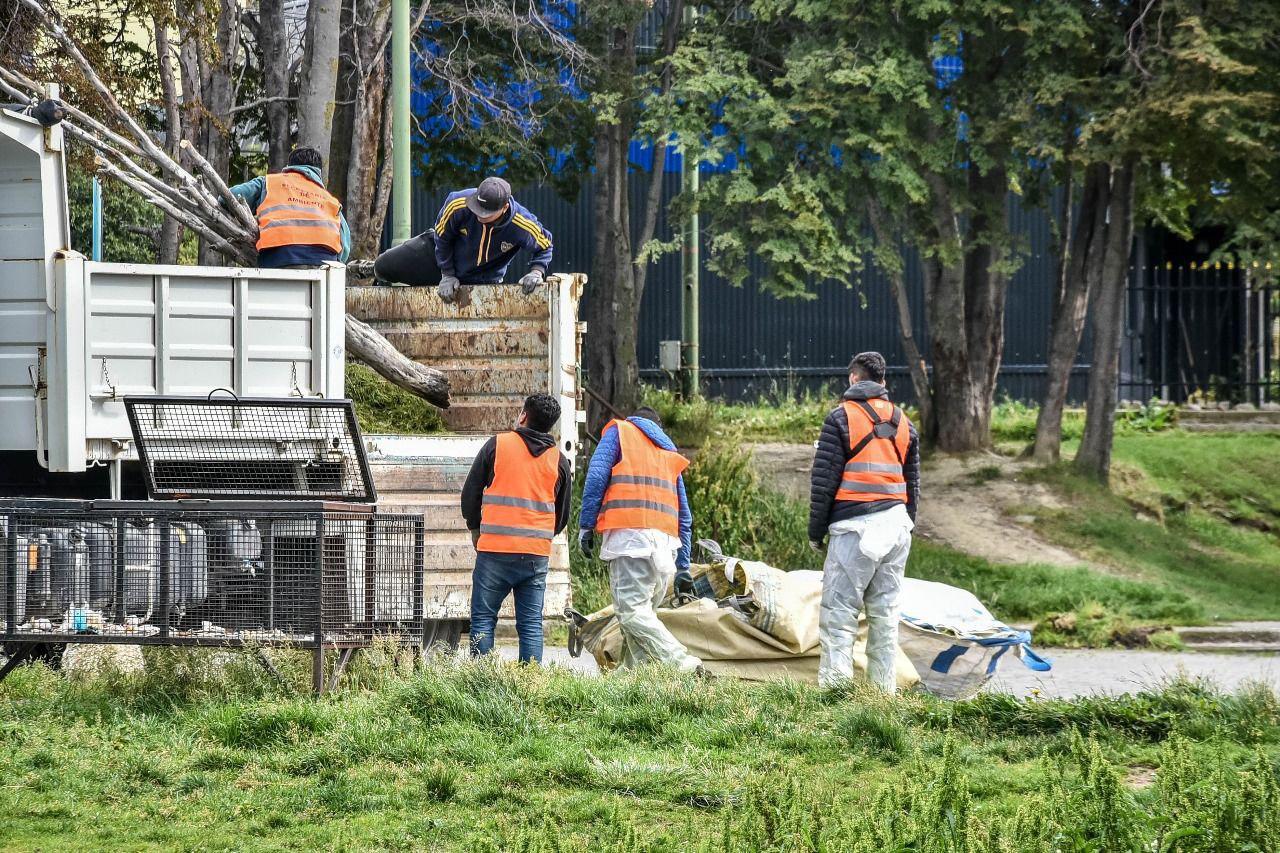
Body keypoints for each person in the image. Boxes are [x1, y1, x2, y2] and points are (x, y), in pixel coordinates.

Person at [808, 351, 920, 692]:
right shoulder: (905, 423)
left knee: (839, 615)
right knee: (885, 616)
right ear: (883, 383)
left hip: (855, 528)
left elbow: (824, 480)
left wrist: (816, 531)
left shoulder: (840, 418)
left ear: (854, 379)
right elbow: (912, 484)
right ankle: (883, 695)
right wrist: (907, 522)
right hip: (897, 525)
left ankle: (835, 692)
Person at [578, 407, 701, 673]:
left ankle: (682, 662)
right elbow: (685, 514)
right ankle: (628, 680)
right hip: (665, 548)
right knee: (639, 623)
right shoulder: (668, 451)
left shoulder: (620, 432)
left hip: (630, 540)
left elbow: (597, 475)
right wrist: (683, 566)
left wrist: (586, 525)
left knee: (632, 613)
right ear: (657, 427)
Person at [461, 393, 572, 664]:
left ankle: (479, 684)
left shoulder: (497, 446)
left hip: (494, 552)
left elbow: (470, 494)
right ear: (551, 426)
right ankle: (529, 686)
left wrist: (476, 529)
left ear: (523, 415)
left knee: (484, 620)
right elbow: (562, 516)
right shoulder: (559, 461)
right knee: (531, 625)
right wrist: (538, 536)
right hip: (534, 556)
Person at [372, 176, 553, 302]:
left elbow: (545, 246)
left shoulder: (522, 224)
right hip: (438, 259)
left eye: (486, 214)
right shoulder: (457, 203)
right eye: (477, 209)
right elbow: (442, 238)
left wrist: (536, 272)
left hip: (481, 278)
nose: (479, 216)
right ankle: (369, 268)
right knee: (383, 266)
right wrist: (448, 274)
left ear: (504, 207)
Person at [230, 147, 351, 268]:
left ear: (289, 166)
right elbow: (345, 248)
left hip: (278, 260)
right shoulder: (330, 200)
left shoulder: (268, 183)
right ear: (319, 172)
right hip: (324, 267)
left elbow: (229, 197)